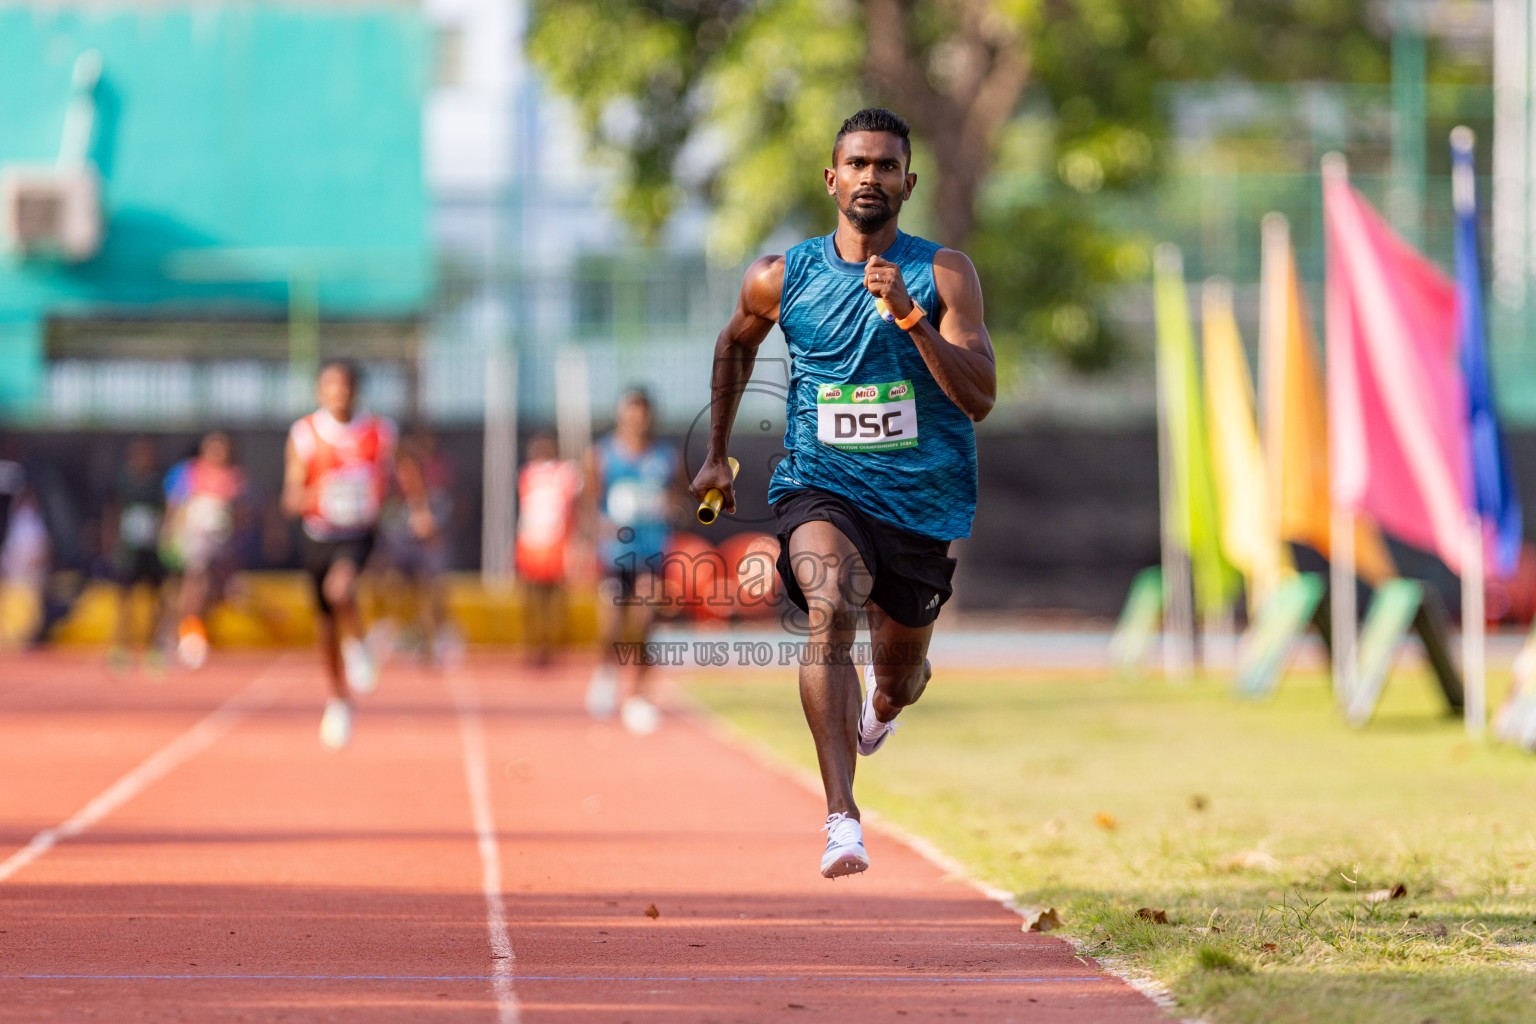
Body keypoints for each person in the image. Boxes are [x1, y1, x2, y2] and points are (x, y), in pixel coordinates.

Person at [689, 109, 996, 877]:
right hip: (819, 485)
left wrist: (913, 318)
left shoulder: (945, 273)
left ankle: (881, 709)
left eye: (886, 166)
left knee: (901, 677)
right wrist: (717, 455)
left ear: (908, 183)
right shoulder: (781, 276)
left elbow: (981, 396)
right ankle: (841, 818)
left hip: (921, 503)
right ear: (832, 179)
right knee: (831, 604)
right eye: (857, 164)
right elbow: (733, 343)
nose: (870, 177)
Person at [282, 361, 397, 749]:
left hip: (358, 532)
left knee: (340, 590)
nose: (338, 393)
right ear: (319, 391)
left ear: (357, 390)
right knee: (325, 627)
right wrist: (314, 494)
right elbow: (291, 494)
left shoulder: (380, 431)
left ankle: (361, 644)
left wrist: (418, 508)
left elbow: (404, 471)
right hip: (318, 533)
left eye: (345, 386)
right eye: (330, 386)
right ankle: (338, 700)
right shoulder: (306, 433)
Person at [583, 389, 686, 734]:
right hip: (615, 551)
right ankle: (605, 671)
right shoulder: (602, 455)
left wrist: (666, 507)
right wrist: (601, 526)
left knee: (644, 618)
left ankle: (639, 694)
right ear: (621, 414)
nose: (635, 419)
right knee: (612, 621)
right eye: (630, 412)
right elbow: (589, 505)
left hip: (651, 549)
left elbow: (678, 500)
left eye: (641, 413)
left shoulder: (665, 457)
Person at [164, 432, 247, 669]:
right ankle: (187, 633)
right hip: (196, 537)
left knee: (216, 590)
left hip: (222, 541)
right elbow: (176, 504)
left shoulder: (234, 477)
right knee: (195, 581)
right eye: (213, 449)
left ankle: (198, 630)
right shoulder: (191, 472)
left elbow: (241, 513)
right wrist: (170, 531)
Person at [378, 428, 459, 667]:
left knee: (429, 593)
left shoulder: (434, 489)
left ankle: (436, 640)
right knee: (391, 585)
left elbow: (436, 524)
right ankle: (406, 634)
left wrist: (427, 522)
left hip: (426, 551)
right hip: (401, 547)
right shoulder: (392, 493)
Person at [516, 430, 581, 665]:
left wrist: (574, 544)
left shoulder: (565, 473)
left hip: (555, 545)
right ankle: (533, 644)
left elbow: (574, 508)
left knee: (554, 597)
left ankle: (551, 645)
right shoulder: (527, 474)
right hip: (530, 544)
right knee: (531, 598)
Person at [104, 437, 168, 672]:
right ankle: (121, 648)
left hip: (153, 551)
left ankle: (153, 648)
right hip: (129, 550)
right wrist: (109, 541)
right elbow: (113, 511)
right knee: (125, 602)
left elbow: (167, 510)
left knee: (156, 602)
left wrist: (167, 538)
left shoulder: (160, 482)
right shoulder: (123, 481)